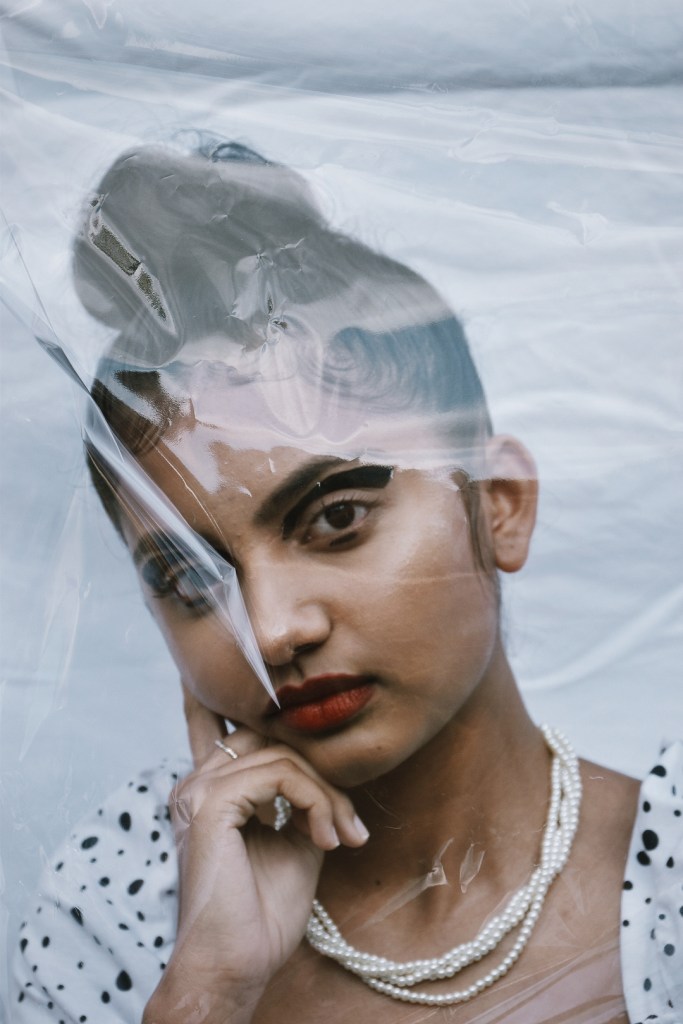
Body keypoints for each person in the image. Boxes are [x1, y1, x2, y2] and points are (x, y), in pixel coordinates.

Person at [11, 139, 681, 1024]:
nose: (272, 629)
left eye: (336, 519)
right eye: (191, 578)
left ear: (500, 506)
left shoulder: (669, 875)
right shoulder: (118, 906)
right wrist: (208, 989)